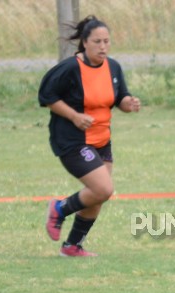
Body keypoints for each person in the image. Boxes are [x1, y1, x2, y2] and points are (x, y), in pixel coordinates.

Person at [39, 15, 141, 257]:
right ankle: (59, 208)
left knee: (97, 196)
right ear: (85, 42)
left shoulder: (113, 67)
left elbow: (119, 99)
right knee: (103, 189)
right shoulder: (70, 68)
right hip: (72, 141)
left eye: (107, 41)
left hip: (102, 139)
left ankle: (72, 246)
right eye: (97, 41)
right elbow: (47, 96)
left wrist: (129, 103)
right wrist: (74, 116)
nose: (103, 46)